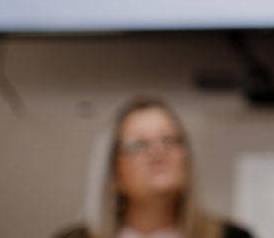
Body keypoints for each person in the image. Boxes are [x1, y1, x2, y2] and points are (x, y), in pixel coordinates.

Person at [52, 96, 254, 238]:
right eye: (139, 145)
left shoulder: (232, 236)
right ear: (113, 171)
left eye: (169, 140)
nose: (158, 152)